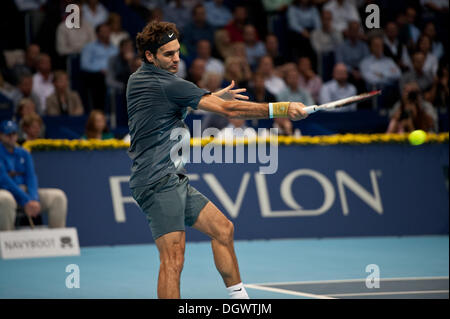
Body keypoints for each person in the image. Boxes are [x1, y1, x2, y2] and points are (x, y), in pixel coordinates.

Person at [128, 21, 308, 299]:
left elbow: (179, 100)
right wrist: (282, 108)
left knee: (223, 230)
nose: (176, 59)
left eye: (177, 52)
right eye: (168, 54)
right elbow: (228, 108)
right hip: (157, 182)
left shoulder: (140, 79)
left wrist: (207, 96)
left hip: (172, 179)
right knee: (173, 260)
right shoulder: (168, 84)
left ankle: (240, 300)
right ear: (150, 56)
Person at [0, 120, 67, 231]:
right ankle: (6, 241)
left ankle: (57, 240)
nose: (12, 137)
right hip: (6, 192)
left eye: (14, 134)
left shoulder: (24, 153)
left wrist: (33, 199)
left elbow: (31, 177)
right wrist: (26, 200)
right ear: (1, 135)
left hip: (26, 193)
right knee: (6, 199)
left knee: (58, 197)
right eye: (8, 134)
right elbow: (4, 180)